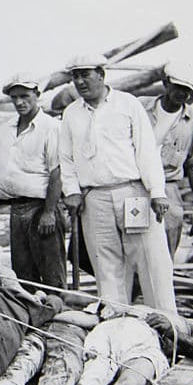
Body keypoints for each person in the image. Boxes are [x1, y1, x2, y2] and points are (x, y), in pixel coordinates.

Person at [58, 54, 177, 314]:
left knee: (149, 261)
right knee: (107, 267)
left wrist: (157, 191)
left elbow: (146, 150)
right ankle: (117, 325)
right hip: (95, 199)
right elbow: (65, 158)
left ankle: (167, 326)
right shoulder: (71, 114)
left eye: (85, 75)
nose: (80, 81)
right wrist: (72, 191)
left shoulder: (127, 104)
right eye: (75, 76)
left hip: (132, 193)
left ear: (101, 74)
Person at [0, 74, 66, 290]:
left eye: (24, 96)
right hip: (16, 208)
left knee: (52, 271)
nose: (19, 102)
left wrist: (50, 212)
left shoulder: (51, 127)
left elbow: (57, 172)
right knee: (23, 272)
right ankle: (33, 317)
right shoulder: (5, 130)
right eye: (14, 98)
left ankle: (57, 314)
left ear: (37, 95)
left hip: (41, 207)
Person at [139, 62, 193, 257]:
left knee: (165, 250)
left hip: (168, 187)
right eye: (178, 87)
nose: (183, 93)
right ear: (166, 83)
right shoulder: (139, 107)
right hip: (135, 185)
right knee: (133, 249)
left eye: (187, 89)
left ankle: (160, 286)